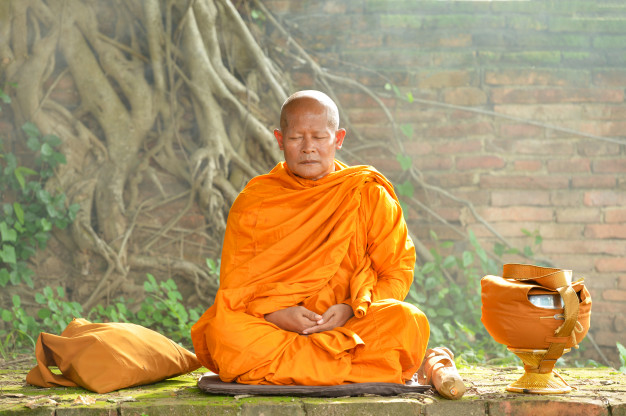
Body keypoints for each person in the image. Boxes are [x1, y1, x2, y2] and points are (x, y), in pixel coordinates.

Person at [191, 90, 429, 385]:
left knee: (407, 320)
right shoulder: (256, 202)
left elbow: (396, 272)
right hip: (276, 328)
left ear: (338, 139)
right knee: (223, 333)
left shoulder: (367, 194)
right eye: (295, 139)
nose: (308, 148)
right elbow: (235, 290)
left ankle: (296, 370)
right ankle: (350, 370)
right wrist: (276, 314)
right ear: (279, 140)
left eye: (319, 137)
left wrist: (350, 309)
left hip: (349, 323)